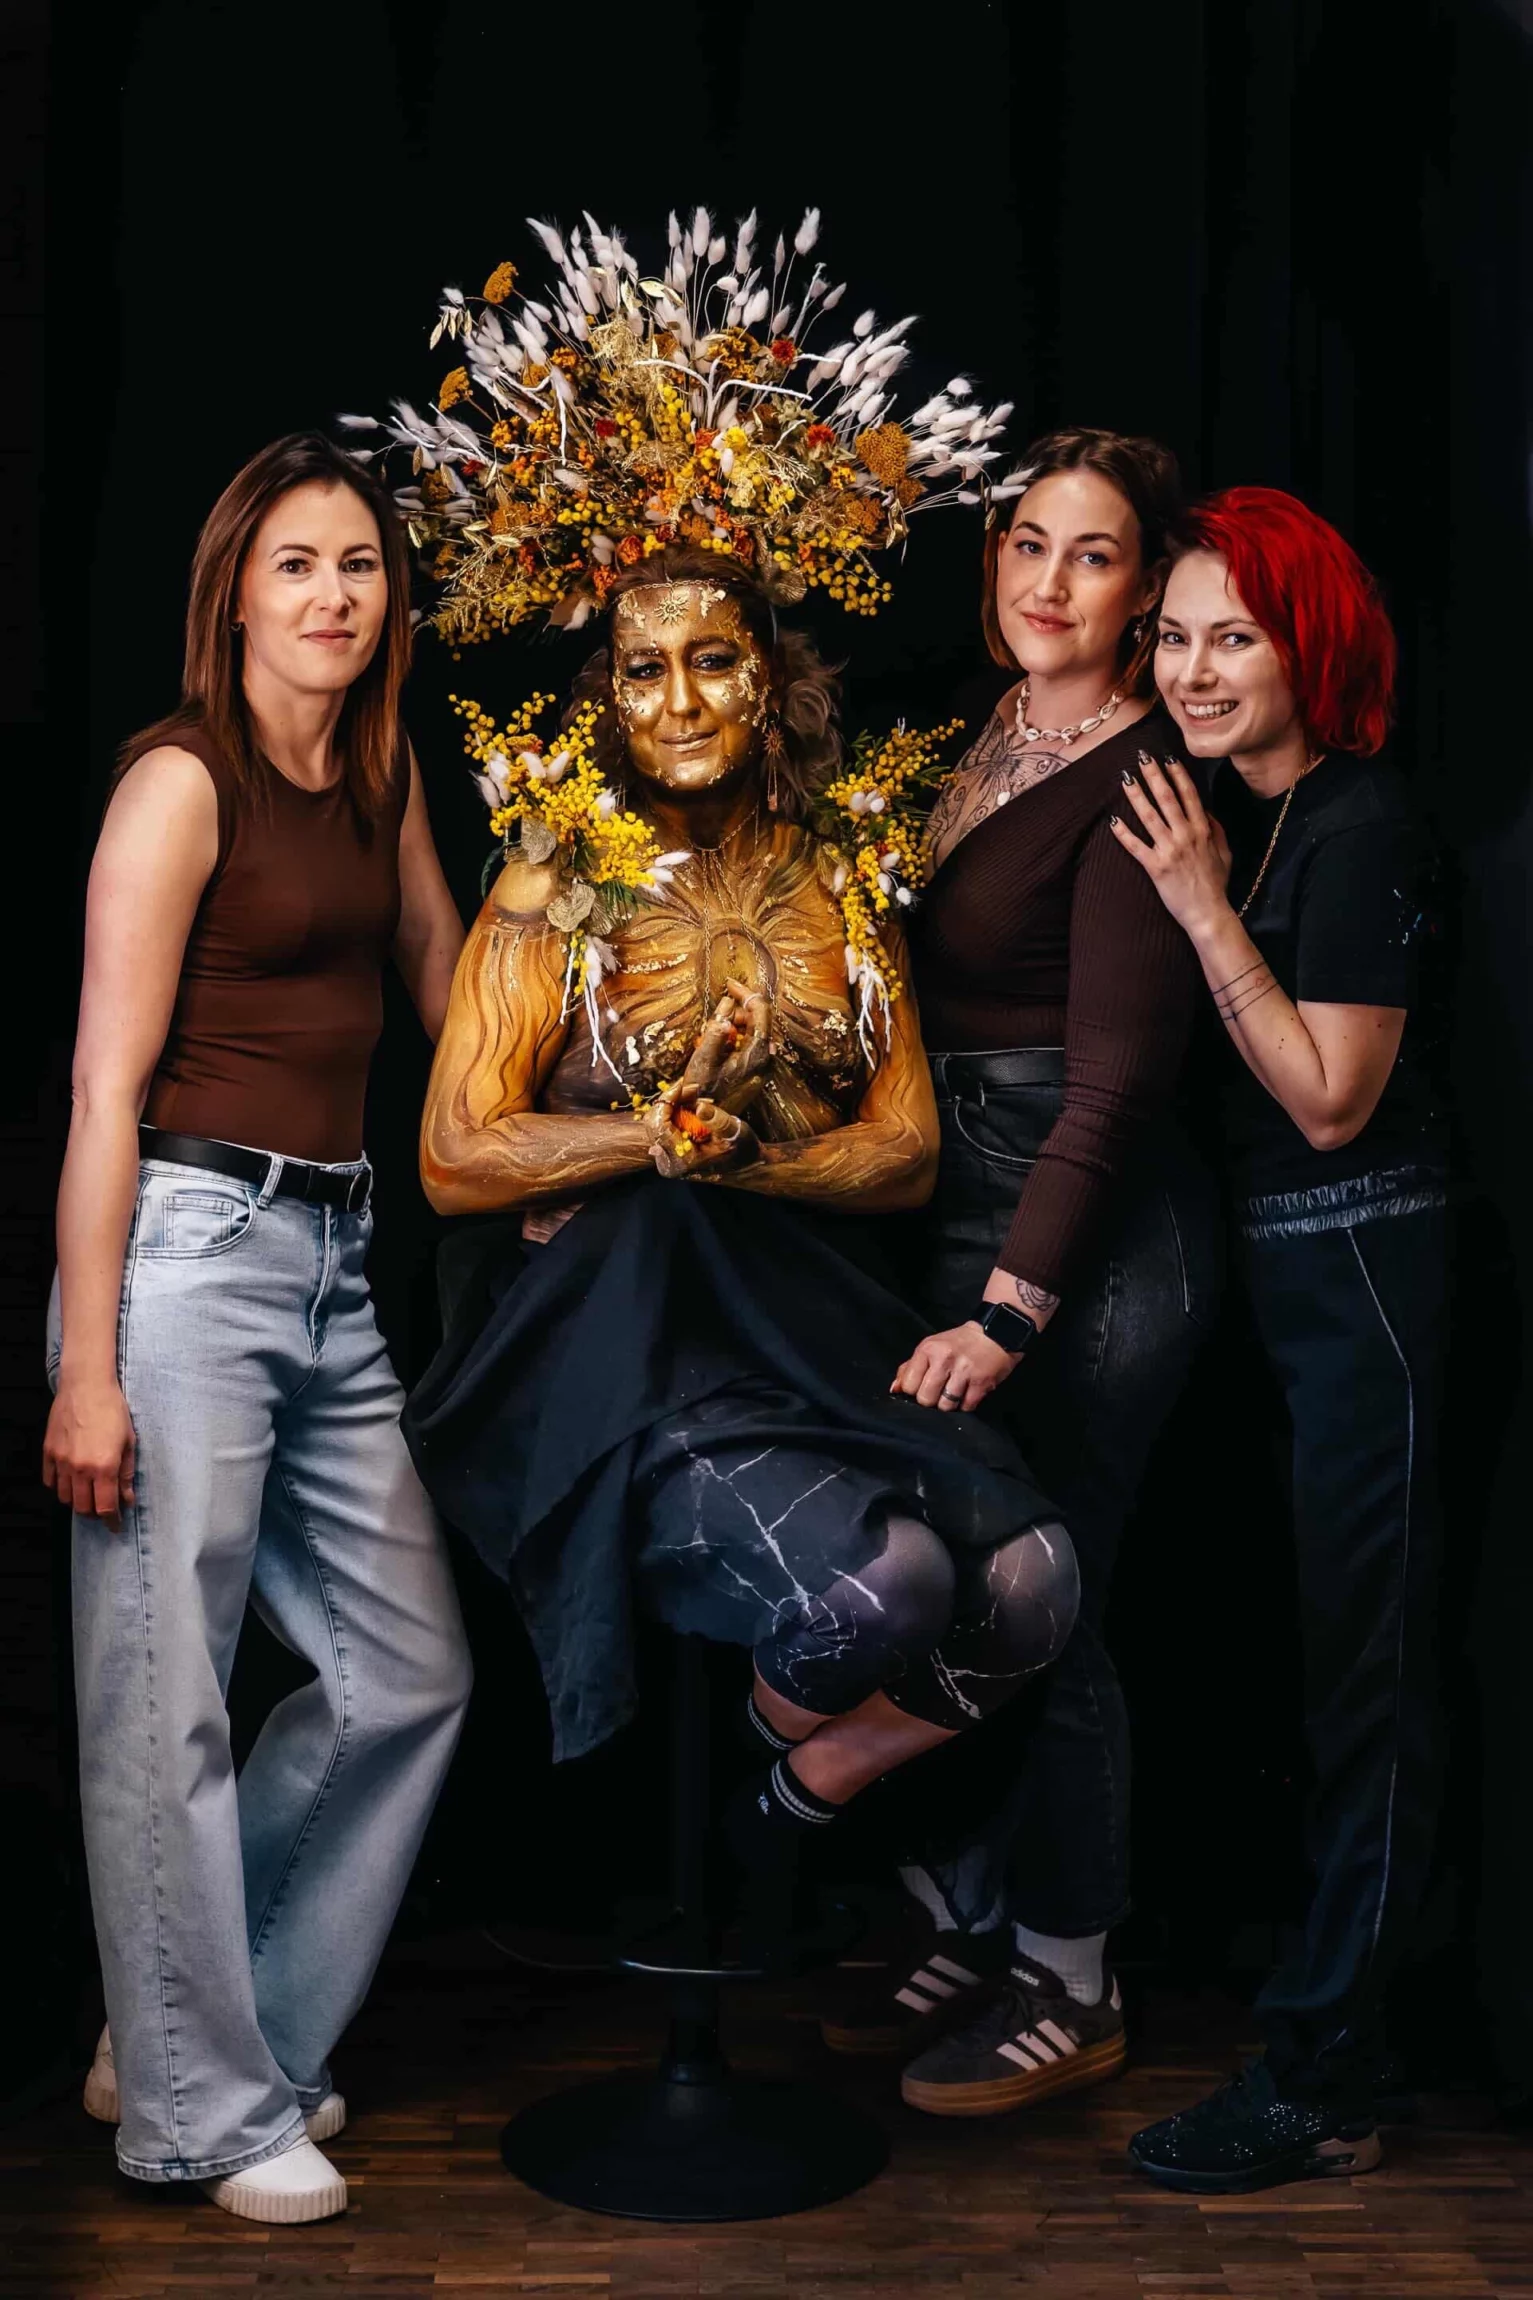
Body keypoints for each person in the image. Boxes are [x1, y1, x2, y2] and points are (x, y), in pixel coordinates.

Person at [369, 209, 1079, 1948]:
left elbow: (905, 1152)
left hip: (805, 1325)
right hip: (609, 1347)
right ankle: (745, 1854)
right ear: (605, 696)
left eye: (714, 661)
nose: (680, 699)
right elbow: (456, 1156)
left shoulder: (842, 880)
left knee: (1032, 1585)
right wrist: (646, 1137)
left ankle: (786, 1809)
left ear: (773, 678)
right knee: (890, 1589)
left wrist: (740, 1158)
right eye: (644, 669)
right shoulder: (553, 874)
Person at [43, 432, 473, 2224]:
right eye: (297, 564)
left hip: (335, 1255)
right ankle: (201, 2118)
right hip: (187, 1258)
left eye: (359, 564)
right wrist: (87, 1367)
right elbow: (102, 1090)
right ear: (235, 593)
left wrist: (588, 1087)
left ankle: (203, 2038)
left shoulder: (379, 770)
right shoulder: (180, 782)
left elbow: (454, 994)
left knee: (406, 1675)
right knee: (168, 1707)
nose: (332, 596)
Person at [842, 430, 1218, 2118]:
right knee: (956, 1579)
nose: (1050, 582)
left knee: (1043, 1598)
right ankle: (979, 1915)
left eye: (1095, 555)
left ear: (1145, 592)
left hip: (1084, 1231)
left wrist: (1013, 1306)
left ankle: (1074, 1977)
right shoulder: (987, 727)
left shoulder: (1141, 779)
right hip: (960, 1187)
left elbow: (1116, 1093)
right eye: (1028, 545)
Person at [1110, 486, 1446, 2192]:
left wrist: (1196, 905)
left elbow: (1328, 1101)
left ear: (1309, 645)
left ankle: (1326, 2083)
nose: (1191, 668)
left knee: (1369, 1693)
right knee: (1316, 1680)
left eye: (1231, 636)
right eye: (1173, 636)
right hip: (1286, 1294)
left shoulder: (1359, 820)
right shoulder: (1254, 811)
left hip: (1370, 1285)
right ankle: (1324, 2035)